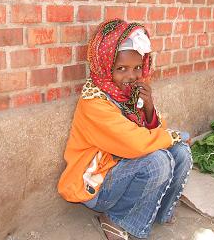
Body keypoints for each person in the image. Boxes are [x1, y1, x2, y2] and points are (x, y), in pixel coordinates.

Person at [57, 19, 193, 239]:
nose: (131, 76)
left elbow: (148, 135)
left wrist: (149, 109)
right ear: (104, 66)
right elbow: (136, 143)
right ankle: (115, 218)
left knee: (180, 153)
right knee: (158, 161)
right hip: (97, 185)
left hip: (121, 167)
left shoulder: (128, 94)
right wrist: (174, 135)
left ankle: (159, 211)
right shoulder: (94, 103)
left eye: (137, 67)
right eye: (121, 69)